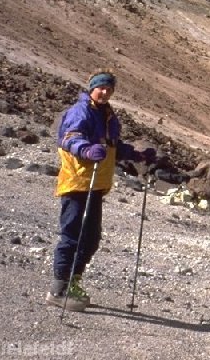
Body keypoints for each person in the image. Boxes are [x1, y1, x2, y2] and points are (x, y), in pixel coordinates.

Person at [45, 70, 155, 311]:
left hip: (95, 184)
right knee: (72, 235)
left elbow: (111, 146)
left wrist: (135, 154)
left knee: (91, 238)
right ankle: (57, 290)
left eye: (109, 89)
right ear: (91, 88)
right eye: (101, 87)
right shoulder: (81, 111)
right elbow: (69, 138)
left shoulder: (107, 115)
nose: (104, 92)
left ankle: (72, 283)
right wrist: (85, 150)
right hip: (77, 182)